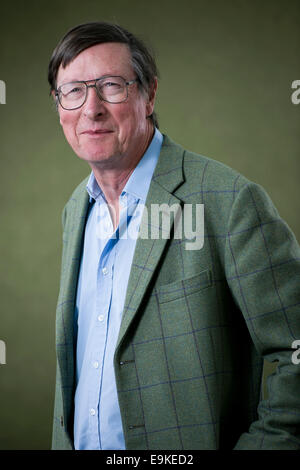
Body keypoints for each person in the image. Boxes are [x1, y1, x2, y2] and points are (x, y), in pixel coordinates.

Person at [48, 21, 300, 450]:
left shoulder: (228, 200)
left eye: (111, 85)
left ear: (149, 95)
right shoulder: (78, 209)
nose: (90, 108)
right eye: (72, 90)